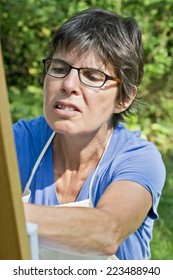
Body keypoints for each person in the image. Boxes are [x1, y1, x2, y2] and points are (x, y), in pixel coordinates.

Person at [13, 7, 166, 260]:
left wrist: (9, 215)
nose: (68, 85)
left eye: (92, 76)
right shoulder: (20, 141)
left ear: (124, 98)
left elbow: (106, 232)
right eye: (60, 69)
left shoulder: (138, 159)